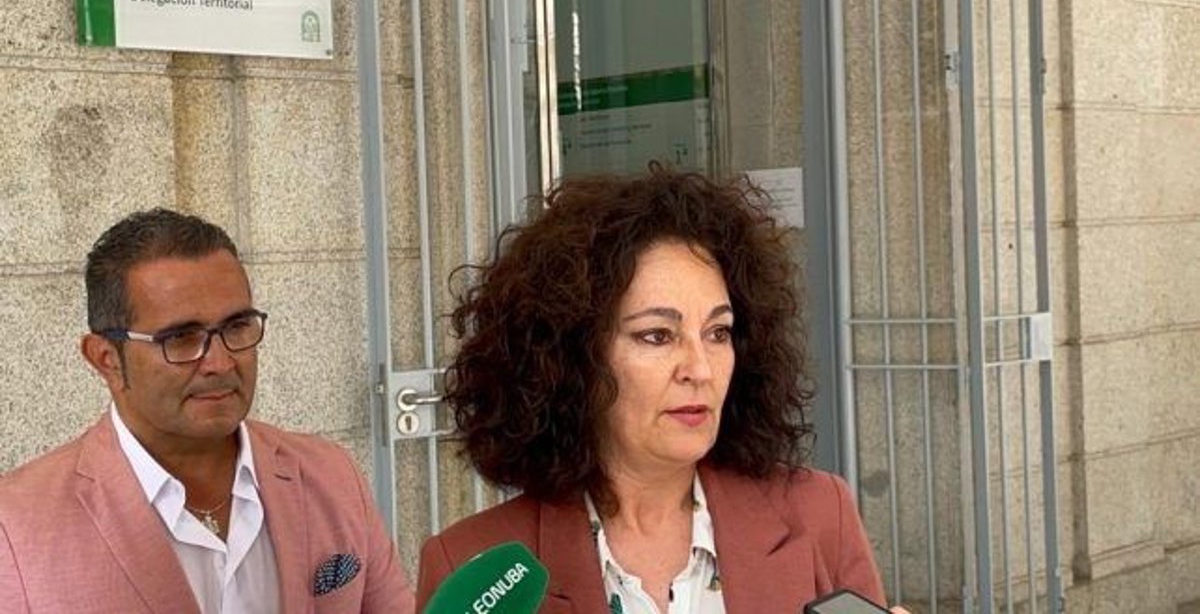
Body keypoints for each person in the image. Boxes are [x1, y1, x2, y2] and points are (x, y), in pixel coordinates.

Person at [417, 167, 898, 612]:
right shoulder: (470, 566)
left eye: (718, 333)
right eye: (657, 336)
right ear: (570, 356)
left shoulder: (819, 514)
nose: (700, 369)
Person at [0, 209, 415, 613]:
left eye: (236, 326)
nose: (220, 361)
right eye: (180, 337)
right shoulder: (17, 528)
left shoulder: (331, 476)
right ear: (106, 359)